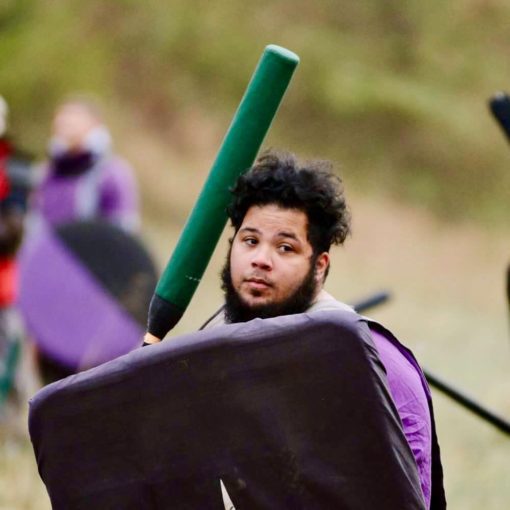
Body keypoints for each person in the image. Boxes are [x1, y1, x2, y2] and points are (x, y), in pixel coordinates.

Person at [198, 150, 445, 509]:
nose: (260, 260)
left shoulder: (372, 359)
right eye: (250, 241)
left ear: (319, 265)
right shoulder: (215, 343)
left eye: (285, 247)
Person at [31, 97, 140, 232]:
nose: (64, 126)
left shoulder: (113, 174)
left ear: (95, 125)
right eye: (62, 121)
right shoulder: (47, 172)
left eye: (72, 121)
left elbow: (123, 230)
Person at [0, 95, 32, 410]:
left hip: (3, 285)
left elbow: (13, 232)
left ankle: (9, 426)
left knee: (5, 363)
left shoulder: (15, 169)